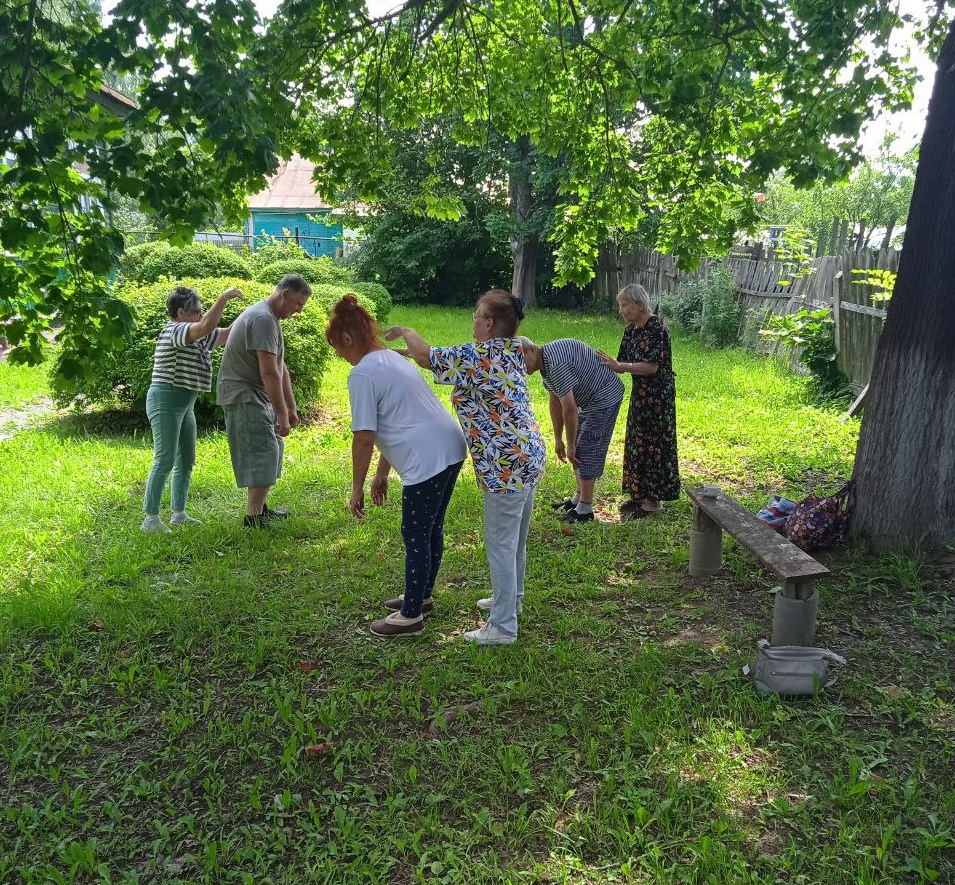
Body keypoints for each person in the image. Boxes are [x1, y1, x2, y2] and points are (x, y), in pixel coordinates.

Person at [385, 289, 546, 646]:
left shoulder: (481, 355)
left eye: (476, 315)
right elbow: (442, 362)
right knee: (515, 540)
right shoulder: (513, 348)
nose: (472, 321)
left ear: (488, 324)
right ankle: (511, 600)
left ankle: (503, 627)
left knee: (501, 544)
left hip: (506, 465)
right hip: (527, 454)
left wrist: (406, 331)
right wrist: (404, 356)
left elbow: (428, 357)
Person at [326, 295, 467, 638]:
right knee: (431, 529)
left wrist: (356, 487)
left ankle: (411, 615)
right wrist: (381, 473)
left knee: (416, 533)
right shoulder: (392, 358)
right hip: (450, 446)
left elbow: (364, 437)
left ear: (346, 339)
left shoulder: (362, 374)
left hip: (426, 459)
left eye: (337, 349)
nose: (340, 357)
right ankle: (423, 596)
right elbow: (398, 419)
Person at [141, 284, 243, 533]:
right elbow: (206, 326)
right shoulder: (174, 331)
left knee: (186, 460)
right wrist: (223, 297)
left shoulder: (196, 335)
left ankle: (179, 514)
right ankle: (150, 519)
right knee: (164, 459)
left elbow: (226, 333)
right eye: (196, 310)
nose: (200, 314)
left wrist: (254, 312)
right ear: (180, 313)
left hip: (185, 404)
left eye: (201, 310)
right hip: (165, 400)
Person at [216, 273, 311, 528]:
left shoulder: (269, 317)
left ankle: (260, 509)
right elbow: (268, 372)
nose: (299, 311)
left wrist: (290, 407)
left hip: (253, 393)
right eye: (298, 305)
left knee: (270, 448)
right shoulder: (263, 319)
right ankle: (253, 517)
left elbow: (280, 367)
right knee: (262, 450)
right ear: (284, 295)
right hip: (242, 394)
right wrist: (281, 413)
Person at [596, 283, 680, 518]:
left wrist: (619, 365)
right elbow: (621, 364)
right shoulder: (631, 330)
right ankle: (640, 495)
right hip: (640, 395)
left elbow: (651, 367)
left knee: (654, 444)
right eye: (620, 305)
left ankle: (654, 502)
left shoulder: (656, 327)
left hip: (658, 398)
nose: (621, 310)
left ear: (639, 304)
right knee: (638, 442)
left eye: (625, 305)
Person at [520, 337, 624, 522]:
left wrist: (570, 445)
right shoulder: (546, 364)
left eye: (520, 361)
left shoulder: (555, 364)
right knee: (578, 444)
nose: (520, 368)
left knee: (586, 446)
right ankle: (578, 498)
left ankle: (585, 509)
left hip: (604, 395)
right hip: (590, 398)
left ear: (530, 350)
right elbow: (555, 402)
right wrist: (559, 439)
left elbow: (569, 409)